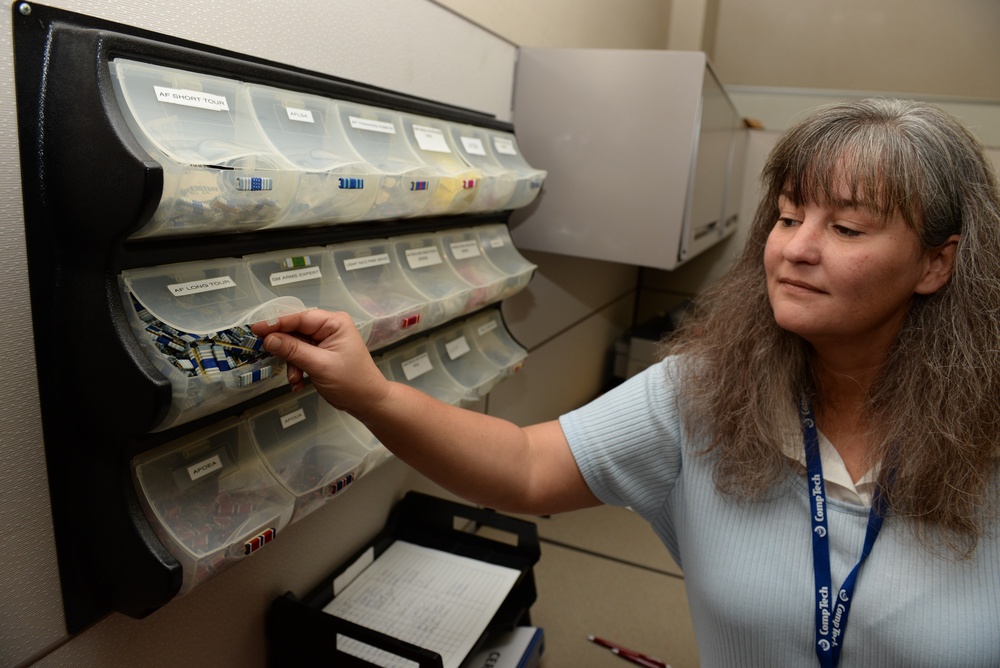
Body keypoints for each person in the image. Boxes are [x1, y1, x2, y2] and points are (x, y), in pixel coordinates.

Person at [252, 98, 1000, 666]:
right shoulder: (701, 392)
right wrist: (371, 392)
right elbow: (523, 467)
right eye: (786, 216)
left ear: (937, 263)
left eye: (846, 228)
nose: (795, 249)